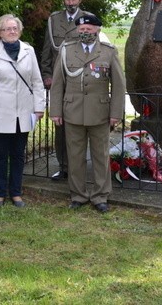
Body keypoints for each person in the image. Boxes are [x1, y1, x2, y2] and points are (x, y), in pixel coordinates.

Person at [49, 14, 126, 213]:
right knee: (75, 157)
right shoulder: (66, 51)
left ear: (97, 29)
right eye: (81, 29)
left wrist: (116, 113)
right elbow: (57, 84)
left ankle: (100, 196)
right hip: (72, 111)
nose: (85, 32)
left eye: (89, 29)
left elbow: (118, 86)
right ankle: (78, 195)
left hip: (99, 112)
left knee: (101, 156)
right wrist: (55, 110)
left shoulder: (108, 52)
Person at [0, 14, 45, 208]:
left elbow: (37, 81)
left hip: (23, 112)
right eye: (7, 28)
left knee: (18, 155)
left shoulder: (28, 50)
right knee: (0, 155)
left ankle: (16, 193)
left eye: (15, 28)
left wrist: (39, 108)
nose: (12, 31)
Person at [40, 0, 93, 181]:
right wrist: (46, 74)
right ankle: (63, 167)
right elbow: (48, 49)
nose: (70, 2)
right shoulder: (54, 19)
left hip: (80, 80)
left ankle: (78, 167)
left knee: (81, 123)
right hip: (59, 79)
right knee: (60, 124)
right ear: (63, 0)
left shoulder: (88, 19)